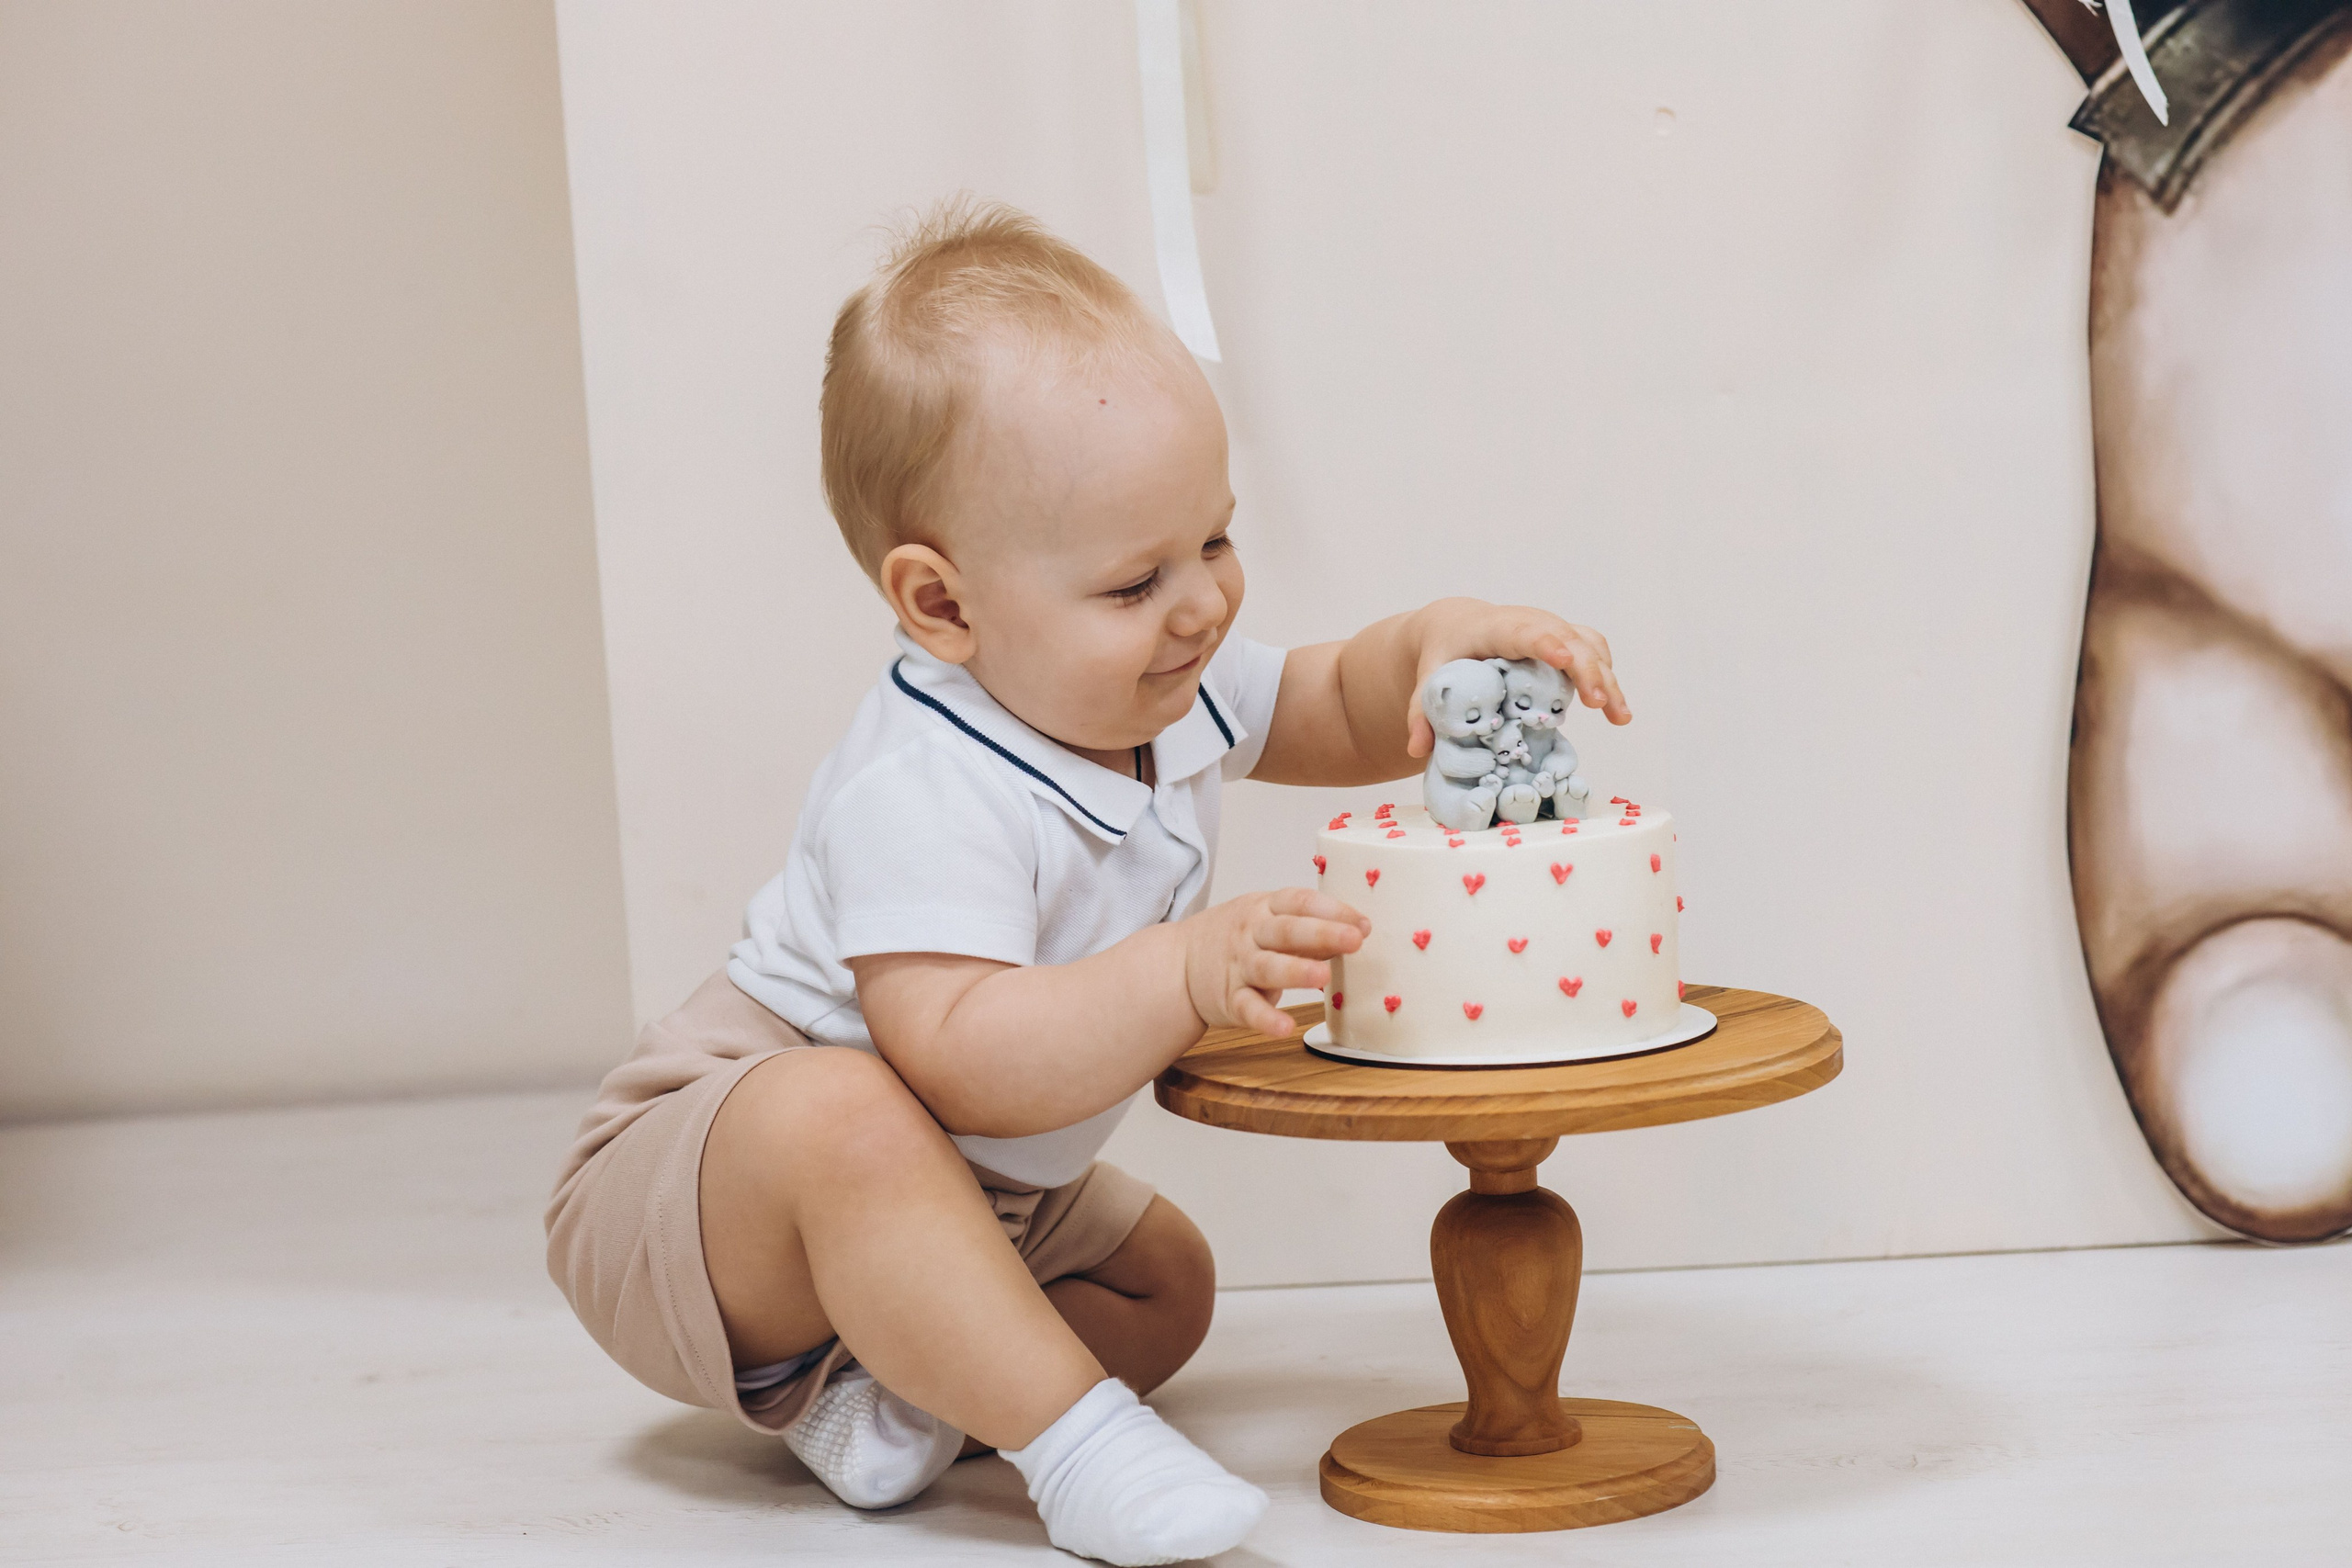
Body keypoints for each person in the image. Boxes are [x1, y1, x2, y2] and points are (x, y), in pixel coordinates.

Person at [544, 198, 1628, 1566]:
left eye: (1216, 542)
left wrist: (1435, 643)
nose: (1201, 607)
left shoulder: (1154, 687)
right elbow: (965, 1066)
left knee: (1162, 1286)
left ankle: (892, 1383)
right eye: (1135, 581)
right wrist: (1180, 974)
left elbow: (1321, 700)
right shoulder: (924, 787)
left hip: (967, 1187)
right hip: (706, 1189)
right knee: (840, 1109)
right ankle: (1080, 1452)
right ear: (944, 606)